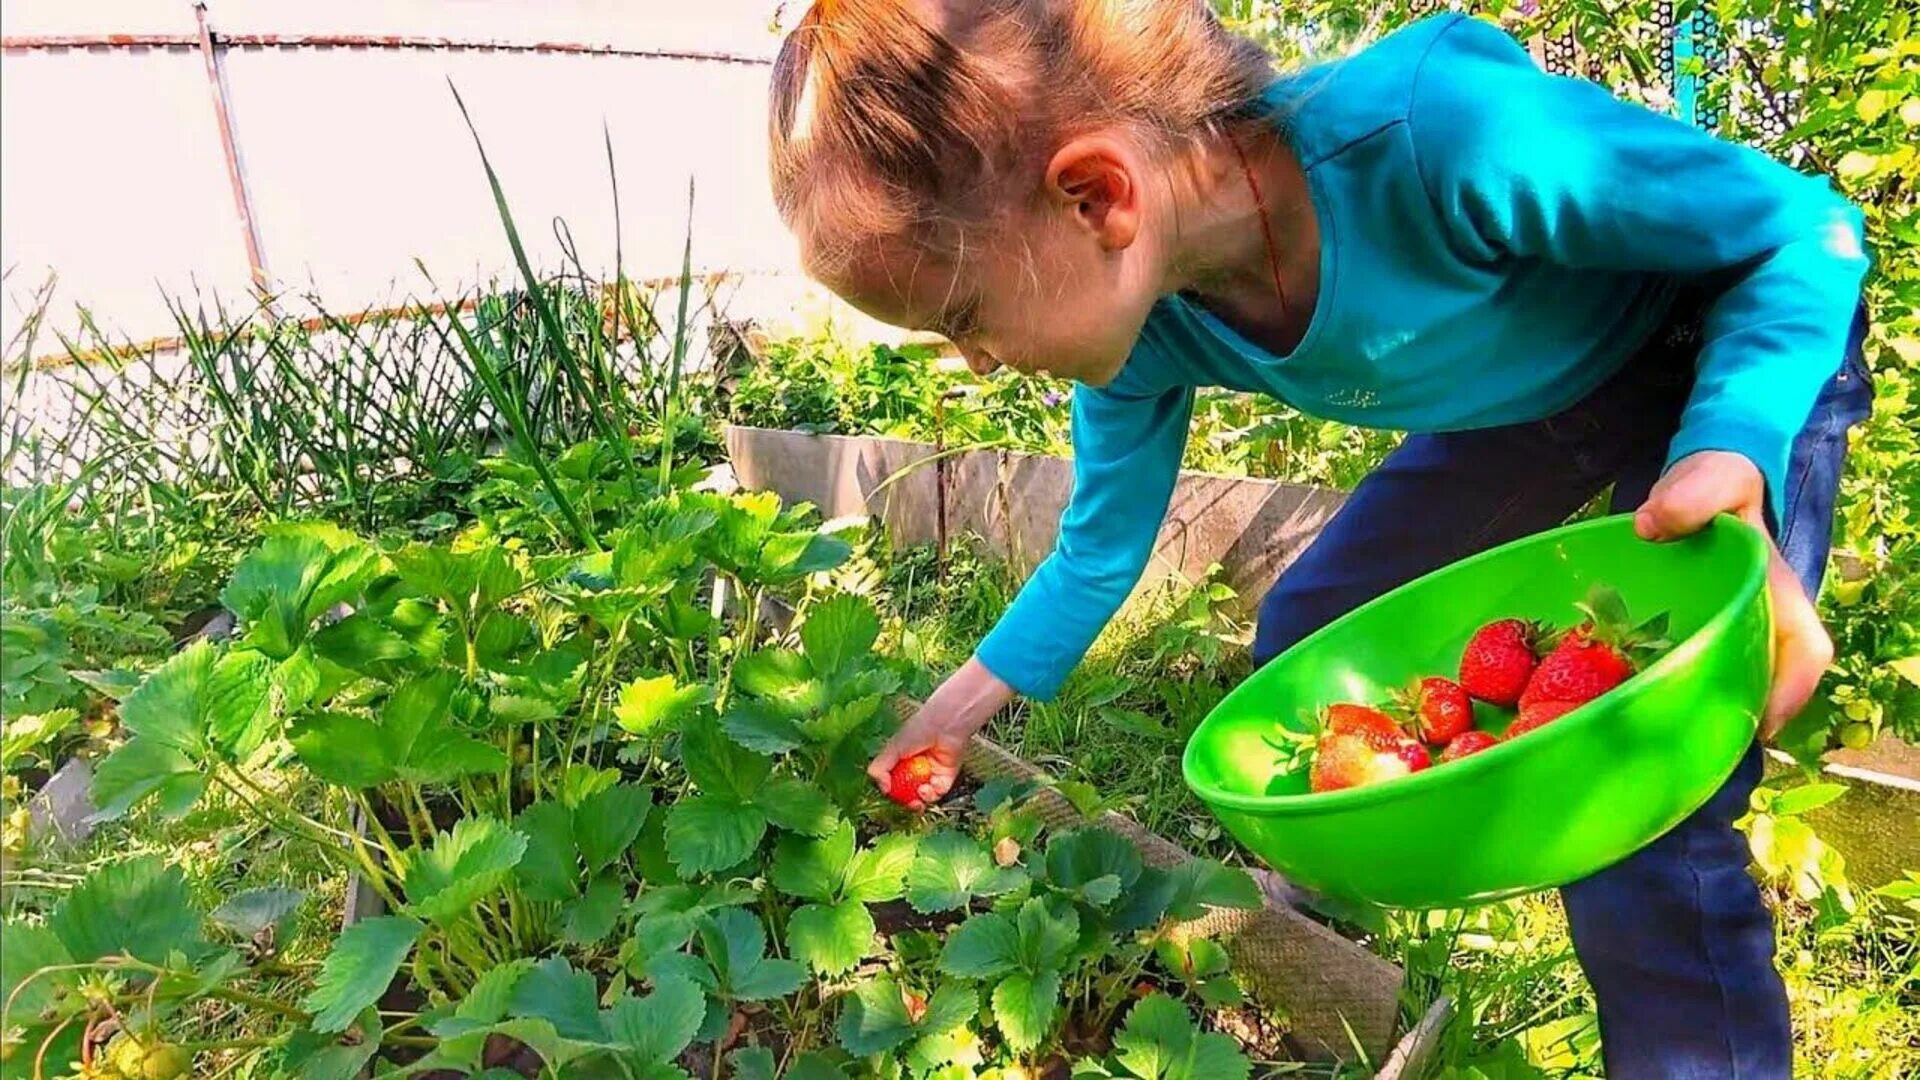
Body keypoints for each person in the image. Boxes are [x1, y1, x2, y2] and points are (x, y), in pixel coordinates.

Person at [766, 2, 1871, 1075]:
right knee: (1312, 624)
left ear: (1097, 195)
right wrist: (947, 720)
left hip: (1738, 344)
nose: (976, 363)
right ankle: (1334, 907)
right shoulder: (1150, 320)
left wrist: (1731, 443)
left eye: (965, 316)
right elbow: (1098, 551)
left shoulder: (1435, 133)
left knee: (1642, 805)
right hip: (1541, 396)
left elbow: (1799, 233)